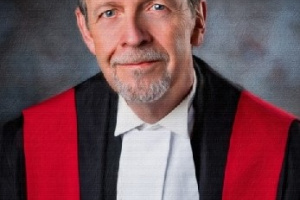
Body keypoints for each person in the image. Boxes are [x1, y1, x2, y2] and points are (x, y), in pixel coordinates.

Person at [1, 0, 299, 199]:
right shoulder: (21, 147)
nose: (133, 36)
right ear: (86, 31)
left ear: (197, 20)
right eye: (109, 12)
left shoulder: (288, 151)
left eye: (157, 6)